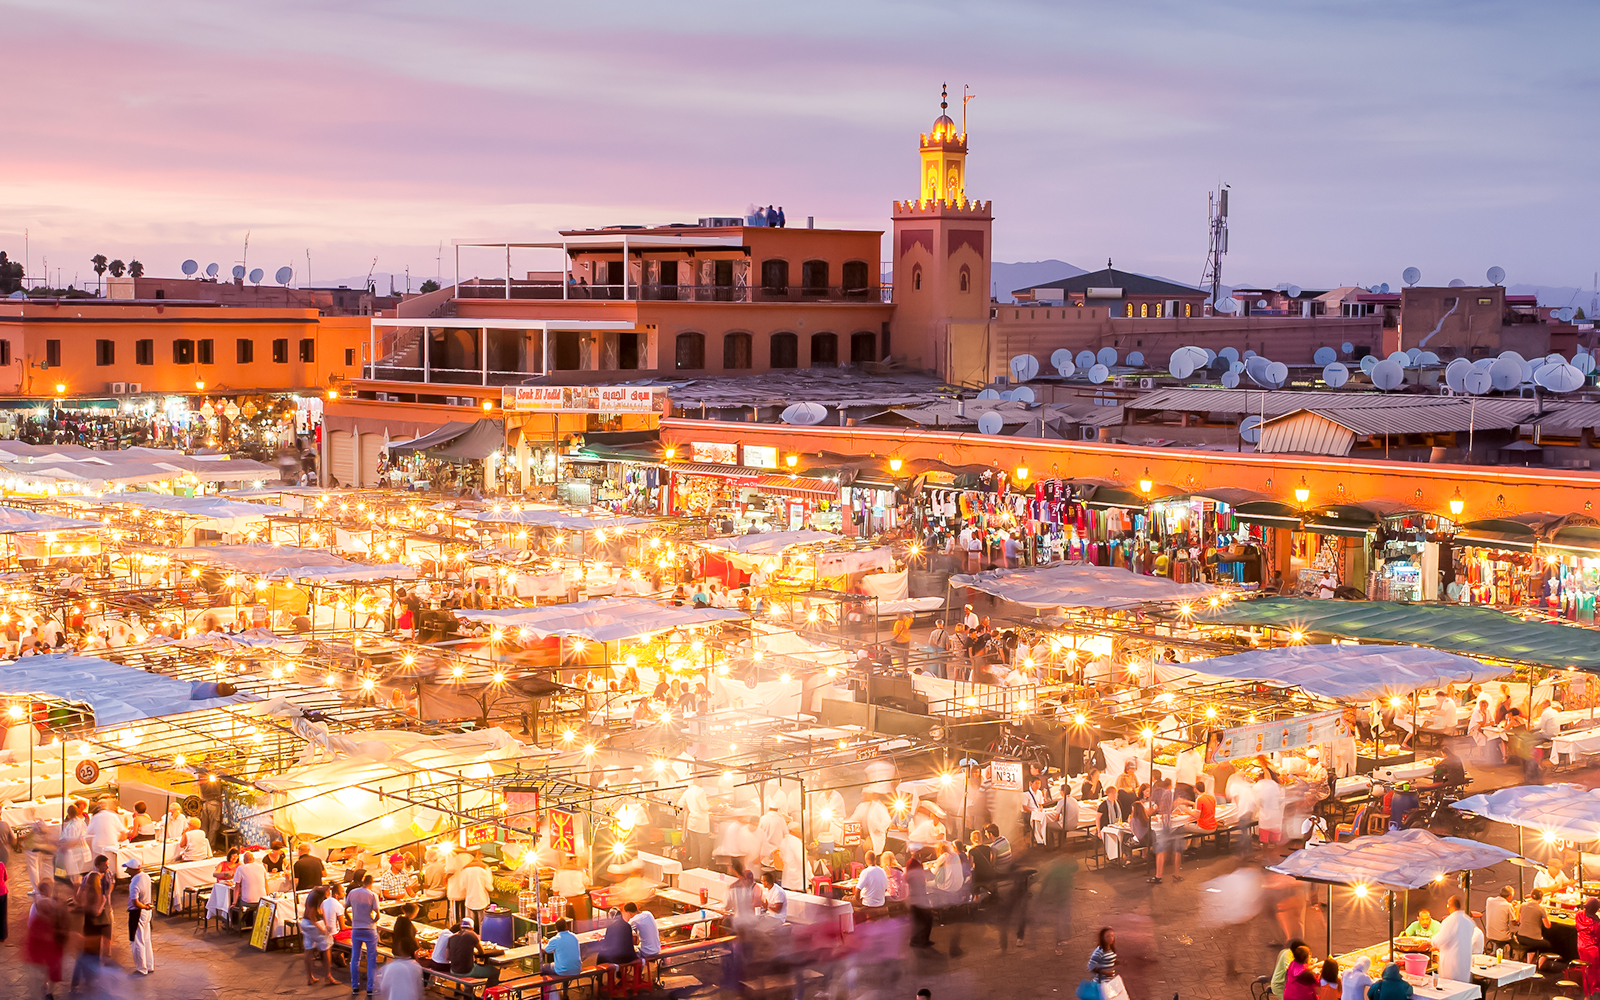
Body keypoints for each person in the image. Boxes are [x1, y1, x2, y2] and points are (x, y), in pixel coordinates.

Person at [348, 873, 381, 997]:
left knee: (355, 958)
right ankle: (370, 988)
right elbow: (377, 914)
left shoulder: (353, 893)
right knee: (371, 959)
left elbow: (346, 908)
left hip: (356, 928)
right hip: (369, 929)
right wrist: (373, 921)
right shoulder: (373, 895)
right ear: (371, 883)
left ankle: (355, 986)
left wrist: (351, 920)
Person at [1433, 895, 1476, 985]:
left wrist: (1430, 942)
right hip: (1464, 963)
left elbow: (1440, 940)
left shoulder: (1450, 921)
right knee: (1462, 990)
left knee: (1450, 989)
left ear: (1450, 906)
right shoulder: (1469, 921)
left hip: (1451, 965)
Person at [124, 857, 155, 975]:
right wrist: (147, 907)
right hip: (147, 912)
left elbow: (135, 902)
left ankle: (141, 968)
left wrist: (144, 907)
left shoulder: (134, 883)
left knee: (138, 940)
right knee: (146, 938)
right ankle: (149, 965)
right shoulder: (146, 877)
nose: (126, 871)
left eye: (128, 868)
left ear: (132, 869)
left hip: (138, 912)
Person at [447, 916, 499, 986]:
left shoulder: (452, 937)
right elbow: (482, 952)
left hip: (453, 970)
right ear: (472, 927)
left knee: (466, 964)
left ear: (460, 927)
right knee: (495, 971)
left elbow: (449, 956)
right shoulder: (472, 934)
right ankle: (485, 995)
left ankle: (458, 990)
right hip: (467, 971)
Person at [301, 886, 334, 985]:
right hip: (311, 924)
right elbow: (312, 916)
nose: (329, 894)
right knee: (327, 946)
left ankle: (310, 977)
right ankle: (328, 976)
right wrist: (322, 929)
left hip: (305, 923)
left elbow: (319, 912)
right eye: (328, 892)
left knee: (308, 949)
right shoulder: (316, 897)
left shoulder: (314, 895)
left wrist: (325, 923)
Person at [1516, 888, 1551, 961]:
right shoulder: (1541, 909)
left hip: (1520, 937)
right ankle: (1539, 966)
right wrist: (1546, 916)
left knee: (1532, 946)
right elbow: (1547, 926)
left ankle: (1529, 963)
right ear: (1541, 898)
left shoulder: (1523, 905)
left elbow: (1520, 920)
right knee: (1547, 945)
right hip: (1534, 939)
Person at [460, 853, 494, 927]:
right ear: (478, 856)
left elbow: (462, 887)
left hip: (469, 901)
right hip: (482, 901)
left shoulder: (464, 869)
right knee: (483, 923)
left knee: (468, 924)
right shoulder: (484, 868)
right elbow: (489, 887)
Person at [907, 856, 933, 948]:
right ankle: (916, 941)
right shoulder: (912, 864)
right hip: (916, 899)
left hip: (920, 898)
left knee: (925, 919)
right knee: (921, 920)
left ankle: (923, 940)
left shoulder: (917, 864)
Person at [855, 852, 888, 918]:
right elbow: (885, 889)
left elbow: (857, 891)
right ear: (875, 859)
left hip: (868, 903)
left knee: (845, 899)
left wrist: (859, 902)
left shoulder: (866, 872)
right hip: (881, 902)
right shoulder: (883, 871)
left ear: (866, 860)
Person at [1579, 897, 1600, 997]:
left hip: (1581, 947)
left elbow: (1583, 911)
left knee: (1585, 972)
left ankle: (1586, 995)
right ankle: (1592, 994)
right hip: (1593, 950)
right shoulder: (1597, 924)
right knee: (1593, 974)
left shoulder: (1579, 916)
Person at [1087, 927, 1119, 991]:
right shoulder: (1099, 951)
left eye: (1112, 936)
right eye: (1108, 936)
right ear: (1102, 938)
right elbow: (1091, 966)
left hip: (1110, 982)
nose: (1111, 938)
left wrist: (1118, 962)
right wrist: (1105, 972)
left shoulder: (1111, 949)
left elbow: (1108, 960)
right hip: (1101, 984)